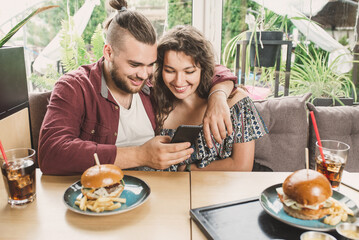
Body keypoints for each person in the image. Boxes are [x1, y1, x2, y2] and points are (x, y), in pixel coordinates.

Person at [38, 0, 236, 175]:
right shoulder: (75, 87)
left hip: (157, 196)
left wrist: (218, 97)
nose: (143, 75)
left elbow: (208, 69)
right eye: (134, 65)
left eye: (150, 64)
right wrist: (141, 155)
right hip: (102, 199)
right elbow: (51, 153)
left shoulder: (152, 84)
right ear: (108, 52)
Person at [150, 25, 268, 171]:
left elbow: (242, 167)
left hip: (227, 190)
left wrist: (189, 170)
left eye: (189, 71)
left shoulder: (237, 103)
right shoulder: (153, 104)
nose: (179, 81)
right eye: (169, 71)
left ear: (203, 69)